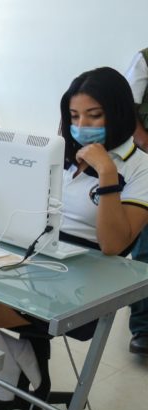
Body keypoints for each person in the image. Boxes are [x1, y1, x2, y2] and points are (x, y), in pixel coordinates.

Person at [0, 67, 148, 401]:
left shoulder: (139, 168)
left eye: (94, 115)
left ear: (119, 112)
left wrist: (107, 171)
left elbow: (113, 245)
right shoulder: (61, 152)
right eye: (74, 116)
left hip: (80, 279)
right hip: (30, 252)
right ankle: (16, 363)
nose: (82, 125)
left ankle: (11, 373)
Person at [123, 49, 148, 355]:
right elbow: (126, 110)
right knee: (146, 249)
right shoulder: (145, 60)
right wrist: (144, 141)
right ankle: (143, 326)